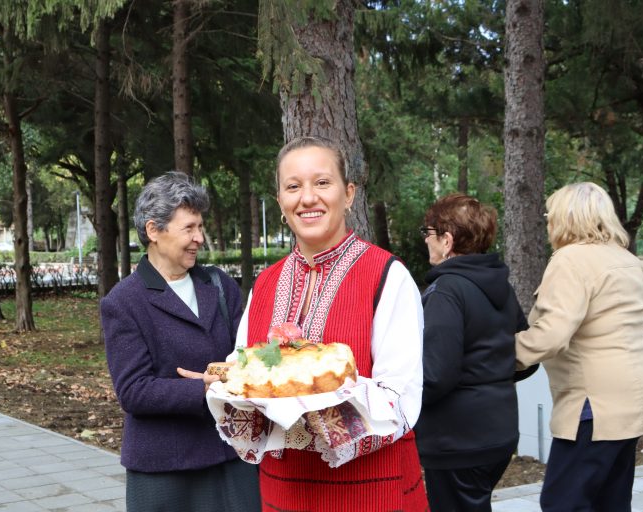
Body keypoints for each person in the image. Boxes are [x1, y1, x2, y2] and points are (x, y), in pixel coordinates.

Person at [236, 136, 428, 511]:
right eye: (293, 186)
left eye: (322, 182)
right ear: (280, 201)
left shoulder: (387, 275)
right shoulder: (265, 284)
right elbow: (246, 372)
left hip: (370, 490)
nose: (307, 198)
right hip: (284, 491)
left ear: (349, 193)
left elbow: (401, 395)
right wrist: (228, 385)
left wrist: (318, 400)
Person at [101, 171, 261, 512]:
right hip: (165, 471)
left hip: (232, 457)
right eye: (189, 228)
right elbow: (133, 391)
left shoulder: (219, 285)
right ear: (153, 231)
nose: (199, 238)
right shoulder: (124, 301)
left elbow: (245, 356)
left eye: (200, 227)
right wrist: (200, 389)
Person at [515, 182, 643, 512]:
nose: (548, 221)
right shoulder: (626, 259)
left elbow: (551, 334)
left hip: (592, 406)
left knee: (563, 502)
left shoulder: (571, 259)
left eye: (551, 214)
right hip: (631, 401)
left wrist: (496, 356)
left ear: (567, 217)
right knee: (611, 501)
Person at [416, 194, 535, 511]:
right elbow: (526, 358)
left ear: (447, 240)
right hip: (499, 431)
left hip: (458, 439)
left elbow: (436, 375)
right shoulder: (500, 286)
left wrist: (400, 401)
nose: (426, 240)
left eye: (428, 232)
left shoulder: (447, 290)